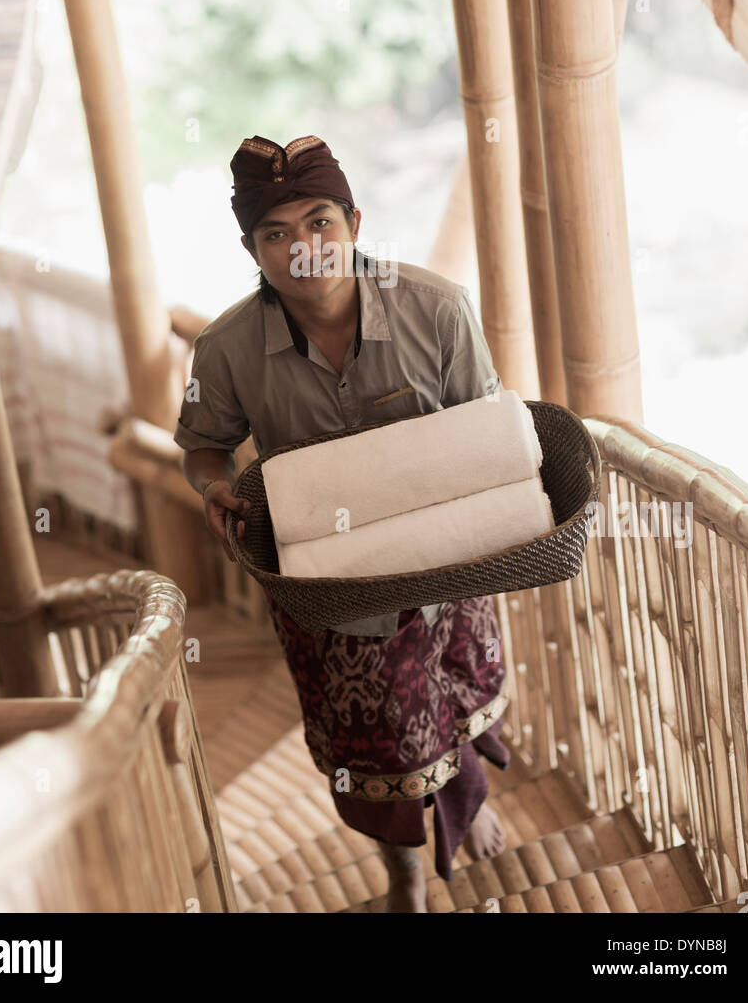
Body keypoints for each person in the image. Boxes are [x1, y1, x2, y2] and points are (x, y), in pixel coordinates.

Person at [174, 133, 510, 912]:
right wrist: (212, 488)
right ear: (251, 249)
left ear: (355, 223)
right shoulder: (224, 350)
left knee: (458, 701)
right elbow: (202, 447)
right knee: (374, 753)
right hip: (331, 596)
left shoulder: (439, 309)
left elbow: (490, 433)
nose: (304, 248)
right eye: (276, 233)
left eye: (319, 222)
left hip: (447, 568)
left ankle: (472, 800)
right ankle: (404, 875)